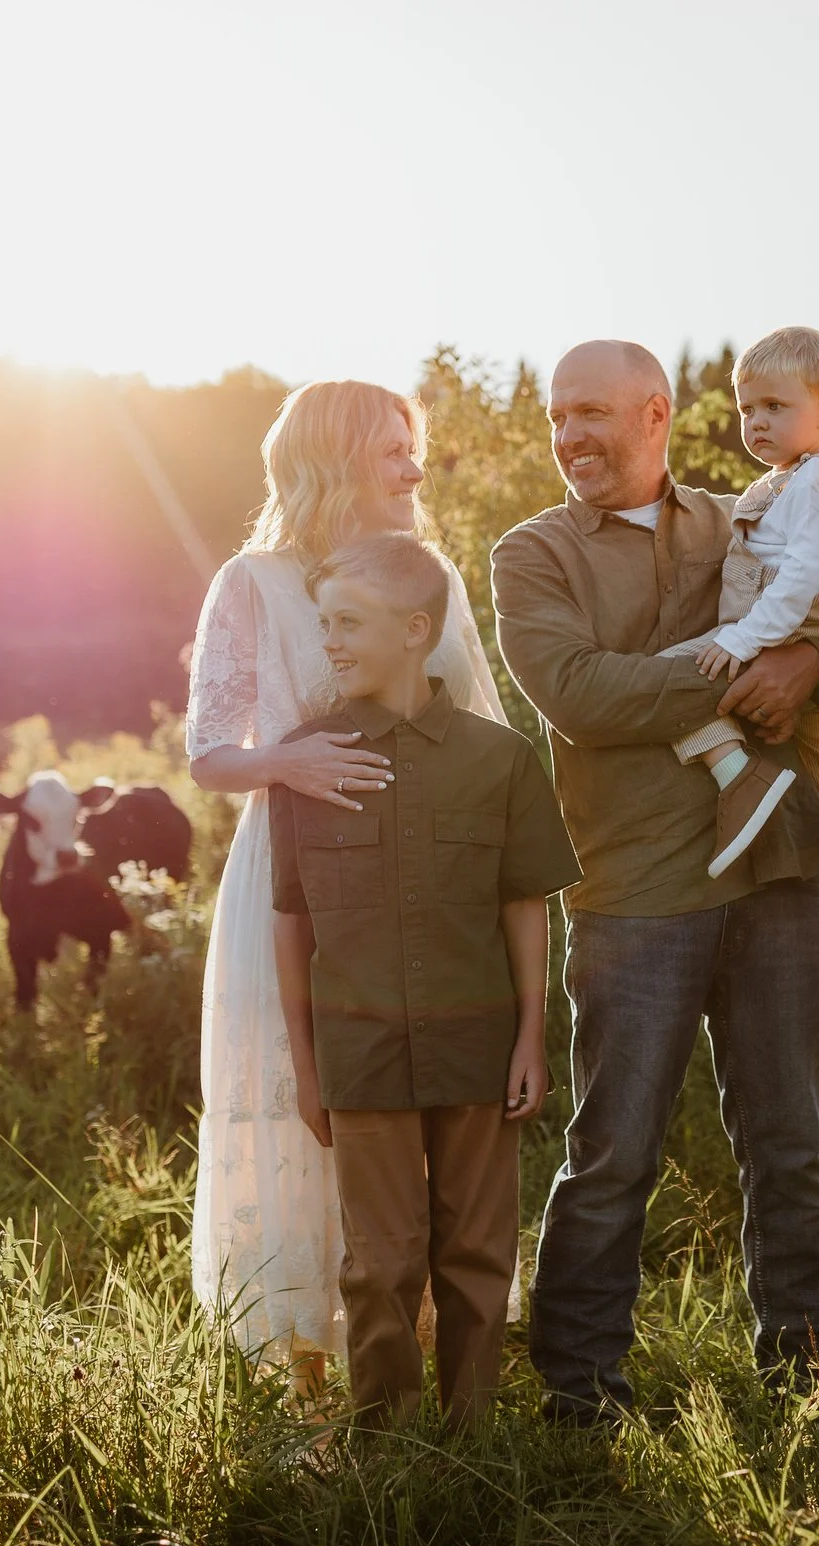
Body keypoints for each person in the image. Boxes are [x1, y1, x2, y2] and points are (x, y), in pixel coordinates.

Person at [491, 338, 819, 1423]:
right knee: (612, 1150)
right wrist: (748, 669)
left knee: (791, 1143)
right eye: (558, 418)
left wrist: (812, 666)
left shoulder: (749, 511)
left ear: (656, 414)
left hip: (776, 872)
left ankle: (804, 1379)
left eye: (592, 412)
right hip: (632, 888)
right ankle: (578, 1391)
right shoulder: (532, 552)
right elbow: (581, 696)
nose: (571, 437)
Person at [184, 381, 509, 1395]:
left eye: (415, 448)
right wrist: (290, 761)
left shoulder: (434, 574)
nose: (415, 470)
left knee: (422, 1113)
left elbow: (485, 730)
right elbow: (206, 755)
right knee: (307, 1108)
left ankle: (420, 1351)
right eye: (392, 451)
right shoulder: (253, 579)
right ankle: (315, 1378)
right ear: (329, 462)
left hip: (428, 886)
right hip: (297, 881)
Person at [270, 532, 580, 1428]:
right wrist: (305, 1060)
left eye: (348, 623)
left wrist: (530, 1038)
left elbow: (527, 905)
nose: (329, 641)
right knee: (382, 1258)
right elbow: (292, 920)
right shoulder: (306, 758)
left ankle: (471, 1433)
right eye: (324, 622)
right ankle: (388, 1439)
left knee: (477, 1249)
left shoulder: (501, 758)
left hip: (477, 1047)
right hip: (360, 1052)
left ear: (415, 629)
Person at [656, 326, 819, 875]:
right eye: (748, 409)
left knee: (665, 678)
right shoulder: (782, 481)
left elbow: (804, 574)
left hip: (779, 630)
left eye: (775, 406)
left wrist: (743, 638)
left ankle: (738, 776)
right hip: (779, 631)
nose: (757, 422)